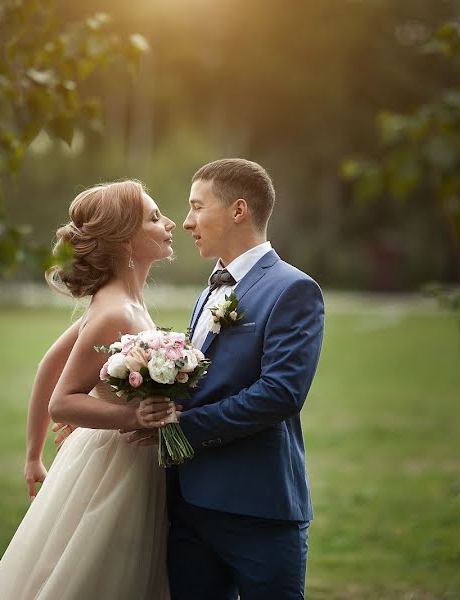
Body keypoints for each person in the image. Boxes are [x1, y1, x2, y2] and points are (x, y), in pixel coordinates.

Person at [136, 158, 325, 600]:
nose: (185, 222)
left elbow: (281, 394)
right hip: (189, 506)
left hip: (257, 508)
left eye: (197, 207)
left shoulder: (292, 289)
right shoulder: (208, 292)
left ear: (238, 211)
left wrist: (182, 429)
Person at [0, 180, 177, 600]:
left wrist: (35, 456)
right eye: (155, 218)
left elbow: (48, 365)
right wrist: (132, 415)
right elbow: (62, 401)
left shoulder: (119, 302)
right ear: (126, 240)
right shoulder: (114, 311)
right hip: (114, 469)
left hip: (114, 460)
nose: (170, 224)